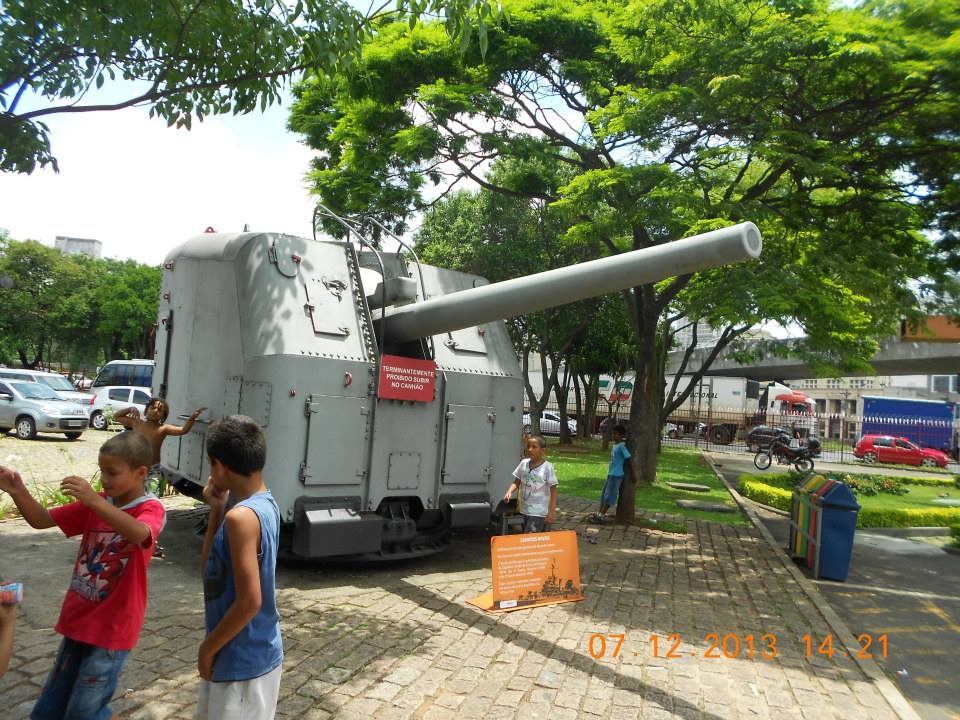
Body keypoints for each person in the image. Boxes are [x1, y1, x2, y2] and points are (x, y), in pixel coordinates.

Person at [0, 432, 165, 718]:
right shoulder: (99, 502)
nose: (104, 479)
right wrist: (17, 490)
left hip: (112, 628)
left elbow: (141, 534)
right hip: (79, 619)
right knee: (49, 709)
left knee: (84, 712)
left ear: (140, 473)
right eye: (102, 471)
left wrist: (94, 502)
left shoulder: (150, 508)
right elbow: (41, 520)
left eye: (112, 472)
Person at [196, 415, 283, 720]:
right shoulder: (263, 505)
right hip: (243, 656)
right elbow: (211, 573)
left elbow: (250, 601)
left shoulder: (242, 518)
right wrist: (216, 510)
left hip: (242, 661)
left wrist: (207, 649)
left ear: (219, 466)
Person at [115, 398, 205, 557]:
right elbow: (117, 416)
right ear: (147, 409)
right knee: (130, 503)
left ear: (163, 415)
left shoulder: (163, 428)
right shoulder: (136, 423)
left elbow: (183, 430)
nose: (155, 411)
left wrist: (192, 418)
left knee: (150, 506)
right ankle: (125, 537)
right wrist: (129, 409)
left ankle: (151, 542)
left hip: (152, 471)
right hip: (133, 470)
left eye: (160, 409)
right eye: (153, 407)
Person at [503, 435, 558, 533]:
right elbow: (517, 481)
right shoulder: (524, 463)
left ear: (542, 450)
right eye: (528, 446)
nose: (530, 449)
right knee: (528, 537)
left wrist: (551, 513)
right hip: (524, 510)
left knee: (530, 537)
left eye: (534, 447)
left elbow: (553, 491)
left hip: (538, 513)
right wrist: (509, 492)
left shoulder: (547, 467)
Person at [589, 424, 631, 524]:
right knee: (604, 495)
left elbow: (629, 459)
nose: (613, 436)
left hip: (617, 475)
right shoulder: (615, 446)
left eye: (616, 434)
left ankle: (601, 516)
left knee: (610, 496)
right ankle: (599, 514)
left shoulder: (622, 446)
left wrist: (633, 475)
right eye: (612, 434)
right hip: (611, 474)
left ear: (622, 435)